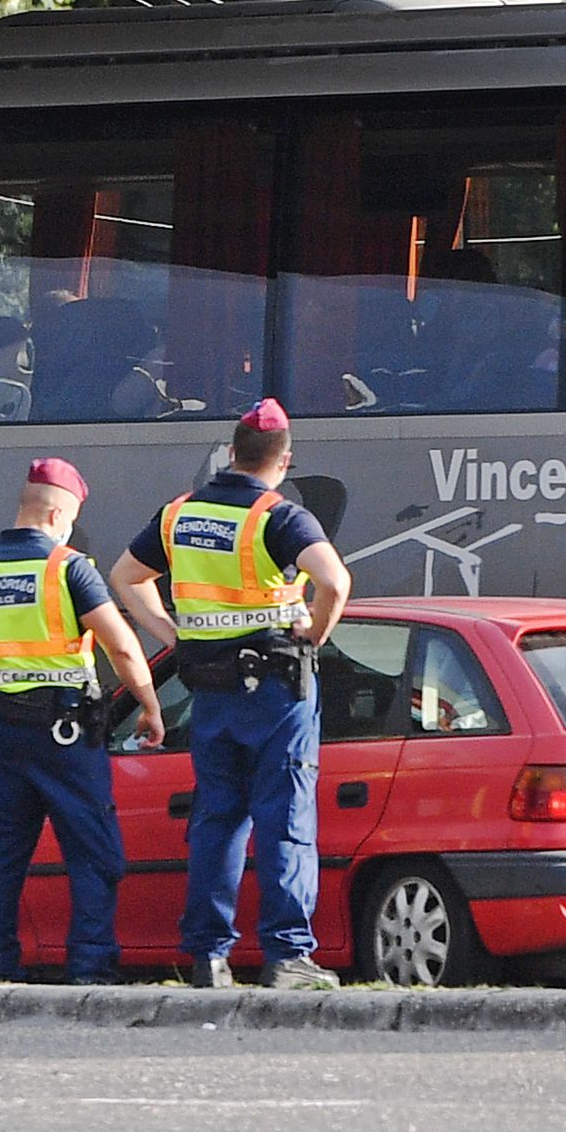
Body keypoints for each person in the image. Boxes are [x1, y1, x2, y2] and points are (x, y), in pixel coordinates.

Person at [111, 402, 353, 992]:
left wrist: (175, 635)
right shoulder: (279, 516)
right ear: (284, 460)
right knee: (285, 820)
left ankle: (207, 958)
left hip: (212, 694)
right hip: (275, 691)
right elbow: (335, 581)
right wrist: (315, 634)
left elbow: (124, 577)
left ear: (230, 452)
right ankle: (287, 956)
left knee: (217, 822)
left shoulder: (177, 516)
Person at [0, 458, 161, 984]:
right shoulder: (66, 568)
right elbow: (123, 646)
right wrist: (151, 707)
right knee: (93, 849)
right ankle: (90, 963)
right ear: (57, 514)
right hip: (66, 736)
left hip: (4, 736)